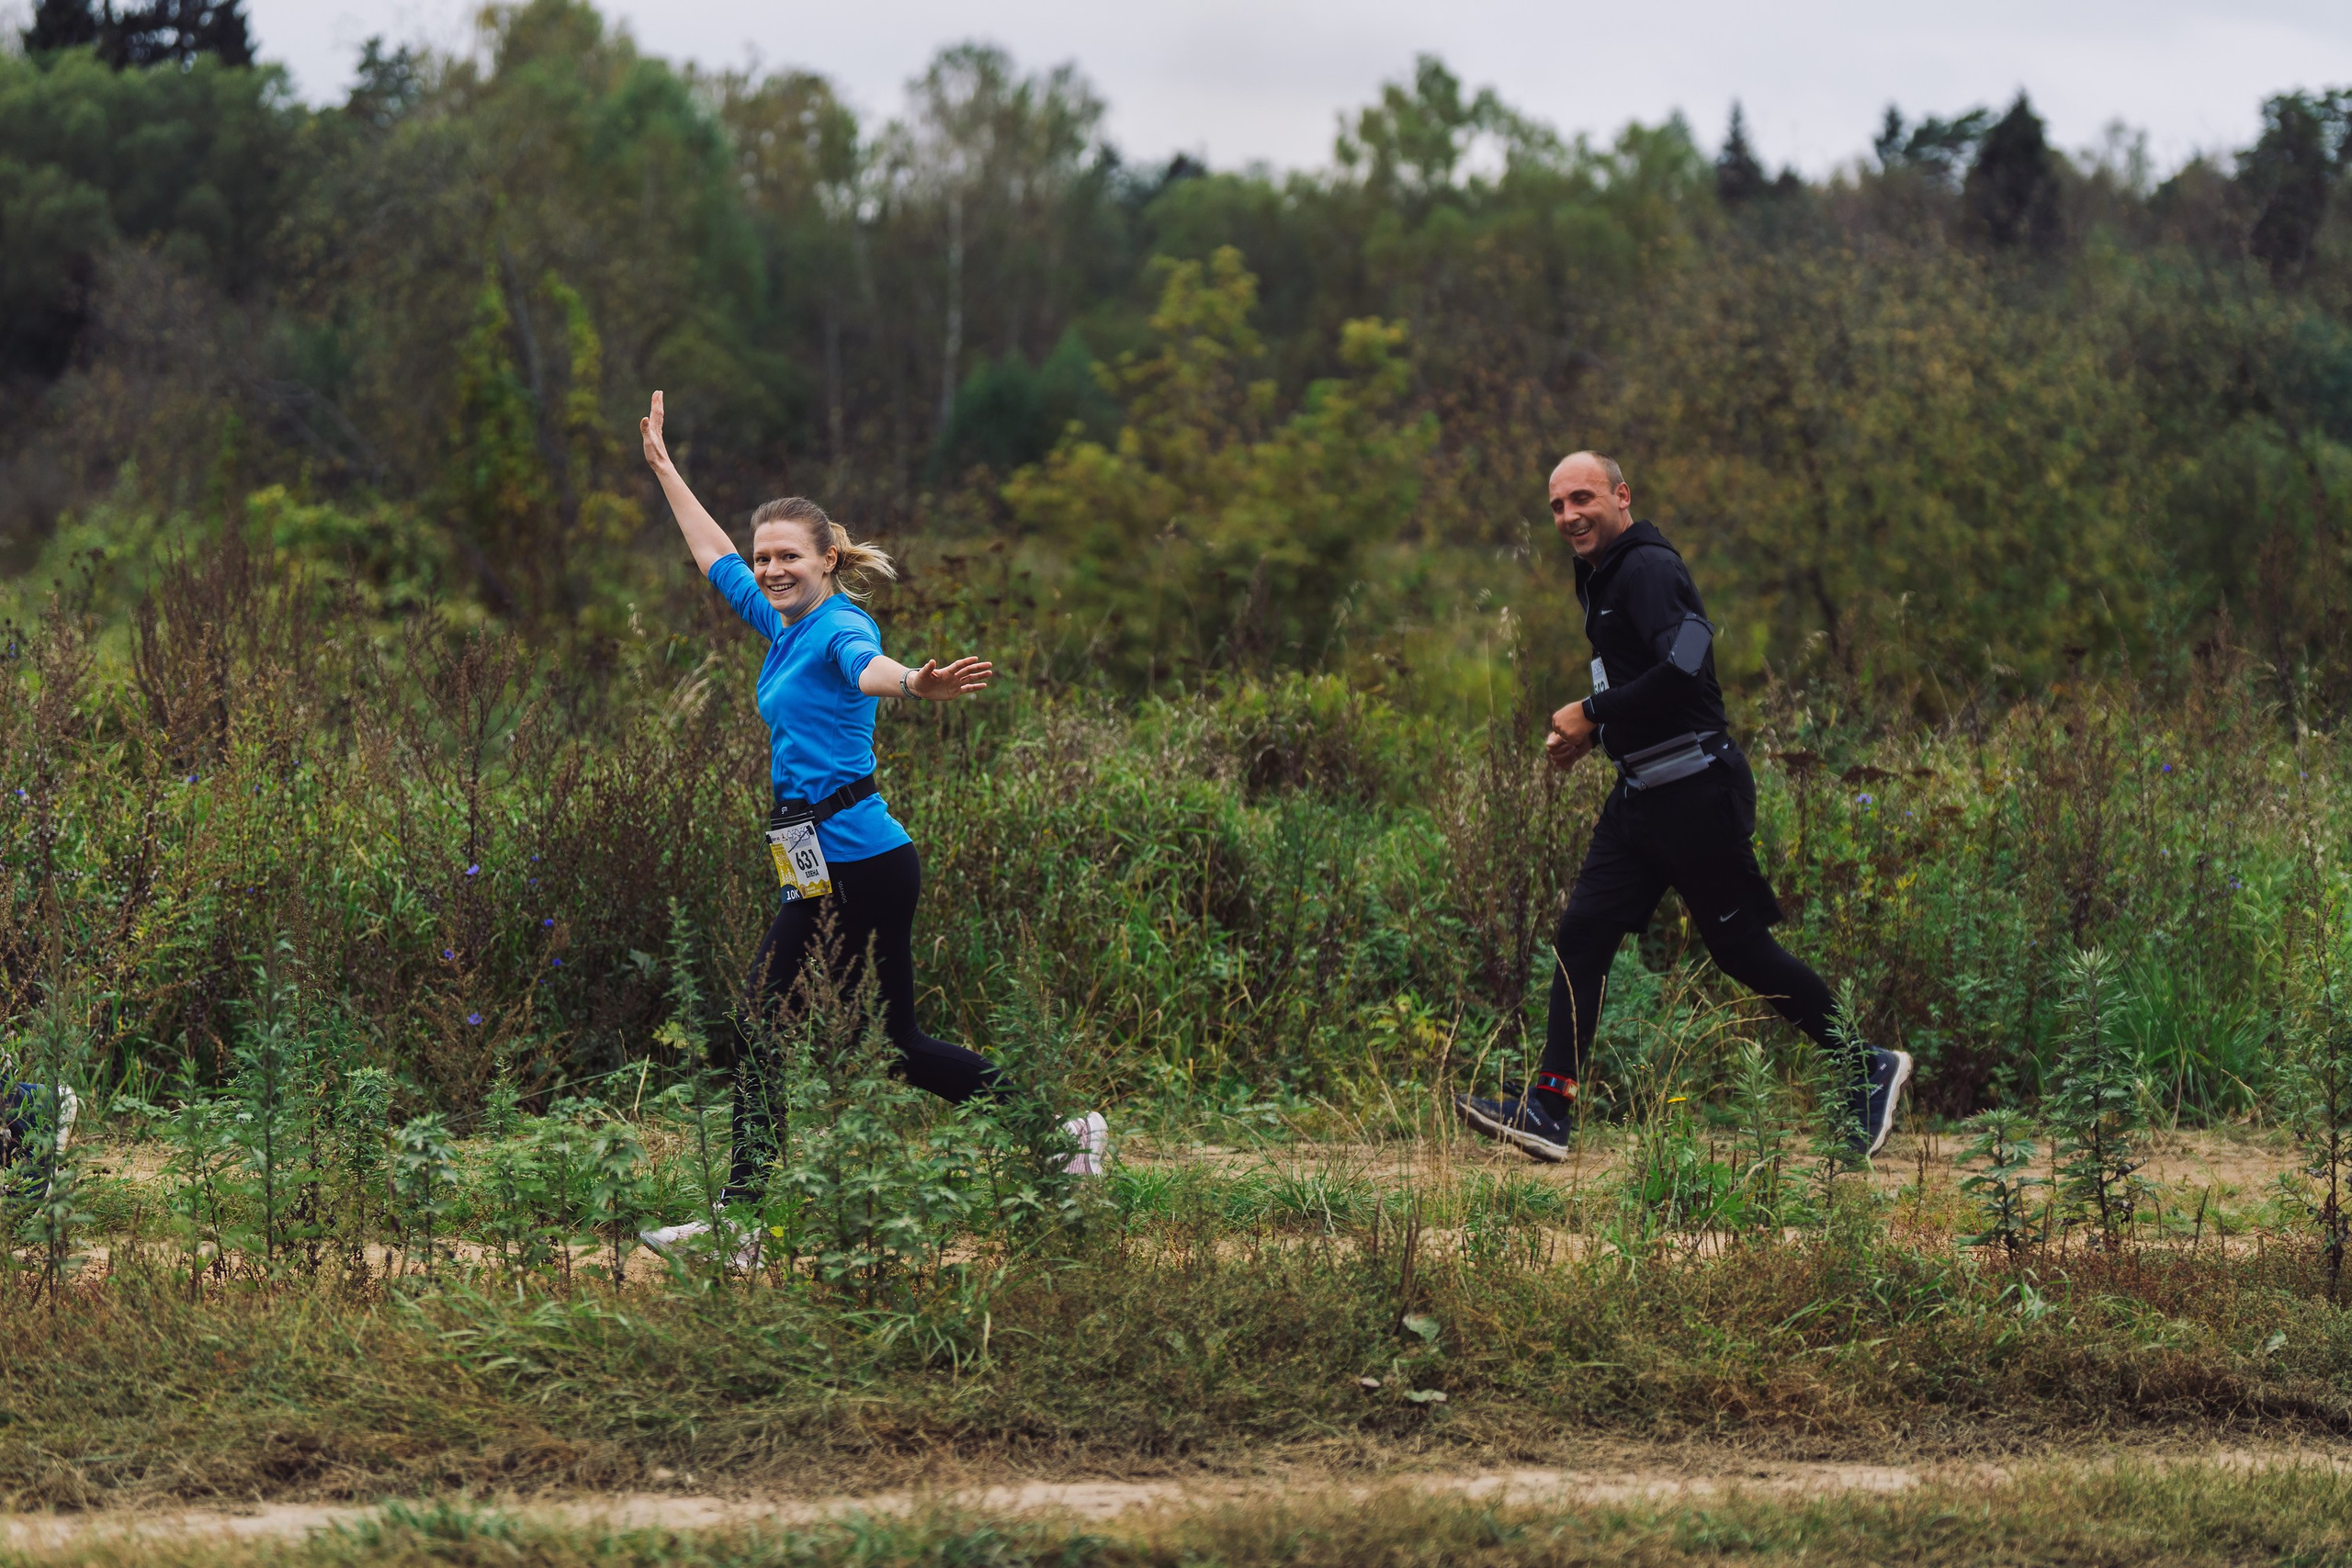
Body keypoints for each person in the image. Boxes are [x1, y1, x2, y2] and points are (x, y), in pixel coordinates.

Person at [635, 392, 1107, 1258]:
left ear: (826, 560)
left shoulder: (839, 624)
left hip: (857, 860)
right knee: (895, 1045)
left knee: (757, 1024)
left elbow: (868, 668)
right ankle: (1063, 1133)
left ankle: (739, 1224)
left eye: (788, 557)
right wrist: (667, 469)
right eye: (764, 556)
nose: (770, 568)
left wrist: (915, 685)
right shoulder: (778, 623)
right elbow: (709, 554)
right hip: (837, 861)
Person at [1454, 451, 1911, 1164]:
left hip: (1697, 792)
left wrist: (1591, 709)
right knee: (1582, 935)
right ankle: (1548, 1108)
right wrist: (1599, 731)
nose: (1569, 516)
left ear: (1621, 495)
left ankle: (1866, 1063)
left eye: (1583, 498)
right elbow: (1646, 677)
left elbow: (1687, 664)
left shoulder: (1650, 568)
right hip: (1639, 796)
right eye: (1556, 506)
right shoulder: (1598, 573)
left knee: (1741, 951)